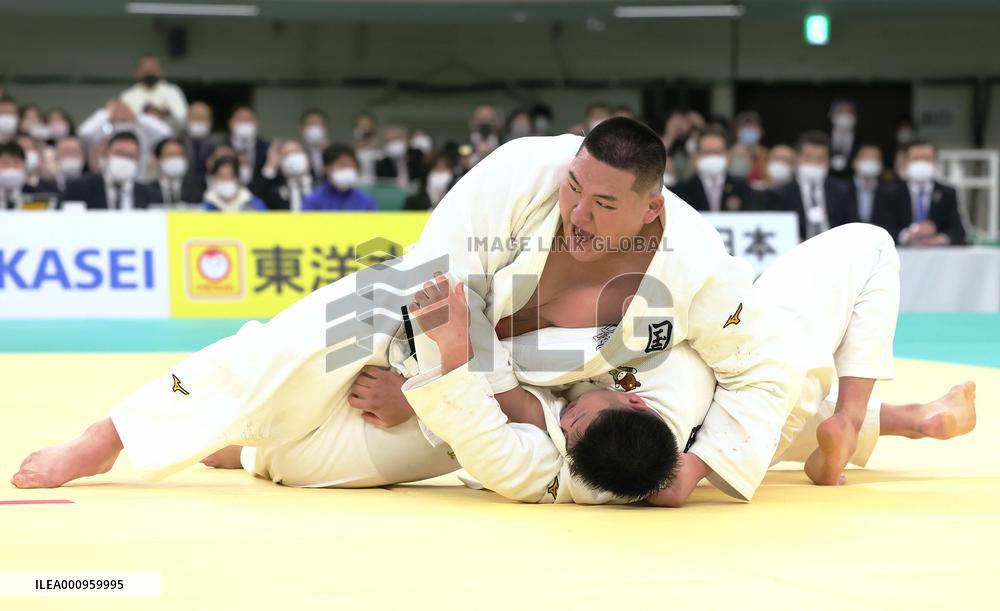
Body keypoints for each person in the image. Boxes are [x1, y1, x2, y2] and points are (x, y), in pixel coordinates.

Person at [11, 119, 800, 504]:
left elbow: (765, 369)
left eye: (604, 204)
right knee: (313, 329)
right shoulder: (521, 173)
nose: (579, 213)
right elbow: (434, 290)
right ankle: (112, 433)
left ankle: (245, 448)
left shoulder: (697, 267)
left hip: (523, 402)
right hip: (425, 329)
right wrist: (434, 373)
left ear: (651, 206)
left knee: (311, 469)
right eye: (574, 189)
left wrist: (694, 467)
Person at [393, 224, 975, 505]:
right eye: (575, 421)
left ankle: (901, 420)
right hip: (768, 387)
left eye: (569, 424)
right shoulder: (644, 414)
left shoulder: (601, 450)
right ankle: (861, 418)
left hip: (755, 414)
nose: (564, 419)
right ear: (632, 401)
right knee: (869, 246)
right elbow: (527, 406)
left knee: (781, 399)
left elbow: (515, 407)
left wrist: (431, 378)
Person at [767, 131, 858, 241]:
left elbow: (853, 225)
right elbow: (778, 229)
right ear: (797, 158)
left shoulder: (842, 191)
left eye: (820, 158)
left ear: (828, 162)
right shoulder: (781, 193)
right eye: (808, 157)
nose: (814, 162)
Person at [880, 139, 967, 246]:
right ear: (906, 162)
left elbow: (958, 230)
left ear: (935, 162)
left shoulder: (947, 193)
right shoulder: (890, 193)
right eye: (916, 159)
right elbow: (882, 228)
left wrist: (940, 239)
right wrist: (907, 235)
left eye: (926, 159)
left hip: (937, 252)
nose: (921, 163)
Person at [77, 99, 171, 180]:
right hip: (105, 183)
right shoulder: (103, 128)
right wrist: (107, 113)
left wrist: (137, 115)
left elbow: (166, 132)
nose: (122, 113)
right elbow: (84, 133)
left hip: (138, 182)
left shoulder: (142, 130)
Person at [61, 131, 156, 210]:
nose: (124, 160)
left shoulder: (149, 194)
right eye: (120, 153)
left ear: (138, 159)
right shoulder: (78, 188)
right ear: (106, 154)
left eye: (131, 156)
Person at [673, 127, 754, 213]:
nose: (712, 157)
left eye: (717, 152)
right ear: (696, 156)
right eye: (706, 153)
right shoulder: (682, 189)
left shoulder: (741, 187)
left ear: (728, 155)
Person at [120, 55, 189, 130]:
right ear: (137, 72)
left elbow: (183, 118)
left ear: (161, 71)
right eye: (145, 68)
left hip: (168, 135)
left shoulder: (172, 91)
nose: (149, 72)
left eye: (152, 68)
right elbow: (122, 121)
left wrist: (164, 114)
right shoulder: (128, 95)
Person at [302, 143, 376, 211]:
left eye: (351, 165)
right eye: (342, 165)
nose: (347, 170)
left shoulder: (365, 201)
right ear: (327, 168)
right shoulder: (313, 201)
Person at [255, 139, 315, 211]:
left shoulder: (321, 185)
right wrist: (270, 167)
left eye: (296, 152)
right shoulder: (274, 192)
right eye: (286, 154)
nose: (293, 157)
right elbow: (255, 200)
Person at [0, 142, 58, 209]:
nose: (11, 167)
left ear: (24, 165)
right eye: (5, 163)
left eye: (16, 163)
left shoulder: (38, 194)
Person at [850, 145, 896, 226]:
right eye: (866, 157)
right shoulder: (840, 191)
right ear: (854, 162)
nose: (870, 162)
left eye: (875, 158)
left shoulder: (891, 192)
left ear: (881, 165)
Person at [148, 137, 203, 205]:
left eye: (180, 155)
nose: (176, 159)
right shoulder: (146, 191)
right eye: (170, 154)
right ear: (157, 160)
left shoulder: (196, 191)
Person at [202, 156, 266, 212]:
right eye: (221, 176)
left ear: (238, 178)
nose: (225, 180)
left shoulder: (255, 206)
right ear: (214, 178)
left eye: (230, 176)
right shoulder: (205, 208)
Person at [227, 106, 269, 190]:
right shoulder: (220, 147)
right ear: (230, 123)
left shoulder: (267, 148)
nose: (244, 124)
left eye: (248, 120)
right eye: (241, 120)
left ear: (256, 124)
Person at [181, 101, 219, 193]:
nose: (199, 121)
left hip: (211, 192)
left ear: (211, 121)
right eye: (196, 117)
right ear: (187, 119)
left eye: (203, 118)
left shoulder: (218, 145)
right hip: (184, 192)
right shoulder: (176, 143)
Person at [732, 110, 769, 186]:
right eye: (745, 126)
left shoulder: (767, 154)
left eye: (753, 126)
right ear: (737, 131)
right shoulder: (729, 153)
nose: (749, 129)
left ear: (761, 131)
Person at [828, 99, 859, 179]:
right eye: (840, 111)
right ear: (831, 115)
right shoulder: (823, 136)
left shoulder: (862, 140)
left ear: (855, 117)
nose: (844, 115)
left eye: (849, 112)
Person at [299, 108, 330, 183]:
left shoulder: (334, 152)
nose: (315, 128)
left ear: (325, 128)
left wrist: (328, 152)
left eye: (318, 124)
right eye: (311, 124)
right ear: (302, 129)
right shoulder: (298, 152)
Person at [352, 112, 381, 185]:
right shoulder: (351, 151)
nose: (365, 130)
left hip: (377, 184)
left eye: (367, 126)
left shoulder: (381, 148)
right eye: (361, 127)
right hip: (358, 183)